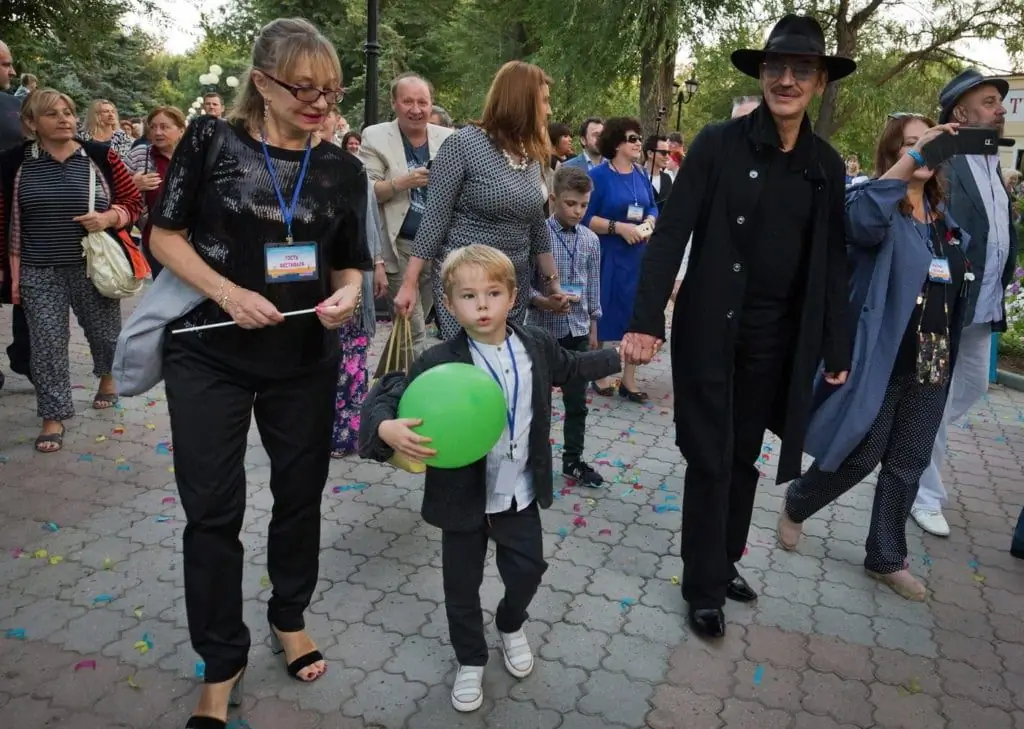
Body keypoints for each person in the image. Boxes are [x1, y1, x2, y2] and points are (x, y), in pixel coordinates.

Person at [147, 18, 370, 728]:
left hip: (303, 357)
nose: (319, 102)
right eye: (303, 87)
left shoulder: (343, 167)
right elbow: (164, 234)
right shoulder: (212, 141)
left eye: (330, 90)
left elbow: (351, 260)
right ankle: (221, 657)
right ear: (263, 81)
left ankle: (289, 612)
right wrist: (227, 291)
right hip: (207, 348)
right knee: (213, 509)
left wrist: (349, 295)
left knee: (299, 495)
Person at [622, 14, 854, 639]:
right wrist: (646, 321)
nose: (785, 79)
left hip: (775, 339)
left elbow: (834, 262)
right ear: (761, 73)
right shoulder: (717, 143)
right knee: (710, 455)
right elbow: (672, 234)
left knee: (745, 455)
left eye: (800, 70)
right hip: (708, 328)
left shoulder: (826, 165)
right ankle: (702, 585)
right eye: (775, 67)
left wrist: (837, 342)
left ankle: (723, 563)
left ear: (820, 82)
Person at [359, 244, 620, 713]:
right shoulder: (439, 359)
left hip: (518, 492)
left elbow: (573, 366)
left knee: (528, 571)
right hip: (461, 499)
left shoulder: (535, 343)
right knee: (461, 588)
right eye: (468, 296)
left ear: (513, 296)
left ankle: (509, 622)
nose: (482, 305)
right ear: (450, 303)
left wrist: (621, 354)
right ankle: (470, 659)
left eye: (493, 293)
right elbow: (387, 395)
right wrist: (383, 426)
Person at [780, 115, 971, 601]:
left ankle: (886, 557)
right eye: (912, 145)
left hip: (931, 360)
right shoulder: (877, 205)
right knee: (862, 453)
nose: (923, 154)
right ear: (895, 153)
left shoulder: (943, 220)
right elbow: (860, 222)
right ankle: (799, 501)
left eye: (928, 145)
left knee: (909, 460)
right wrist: (912, 164)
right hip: (883, 357)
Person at [0, 89, 144, 452]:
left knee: (104, 334)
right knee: (46, 345)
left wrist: (109, 217)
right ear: (31, 123)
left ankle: (107, 377)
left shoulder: (98, 156)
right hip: (37, 269)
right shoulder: (13, 163)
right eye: (53, 114)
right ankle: (53, 416)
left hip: (92, 267)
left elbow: (133, 202)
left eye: (68, 112)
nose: (65, 119)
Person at [911, 68, 1019, 537]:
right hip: (949, 306)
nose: (1000, 111)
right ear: (961, 111)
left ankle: (910, 440)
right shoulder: (946, 160)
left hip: (983, 305)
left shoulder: (990, 160)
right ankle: (923, 493)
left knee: (970, 387)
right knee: (934, 399)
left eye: (999, 102)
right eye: (991, 102)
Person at [393, 61, 566, 340]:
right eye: (544, 101)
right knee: (469, 371)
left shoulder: (531, 154)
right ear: (522, 102)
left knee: (501, 369)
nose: (549, 110)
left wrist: (553, 284)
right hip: (468, 286)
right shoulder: (463, 145)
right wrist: (409, 283)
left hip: (511, 287)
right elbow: (434, 218)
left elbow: (536, 225)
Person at [359, 72, 453, 357]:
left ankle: (386, 385)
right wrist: (402, 182)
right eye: (407, 101)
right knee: (414, 330)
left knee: (411, 322)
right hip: (397, 247)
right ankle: (416, 394)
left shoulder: (449, 138)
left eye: (422, 102)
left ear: (431, 104)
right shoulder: (375, 136)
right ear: (394, 103)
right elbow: (365, 192)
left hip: (437, 247)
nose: (416, 109)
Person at [529, 166, 605, 485]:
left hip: (577, 333)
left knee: (577, 404)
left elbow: (592, 289)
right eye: (570, 203)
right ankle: (535, 462)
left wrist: (593, 329)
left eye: (583, 205)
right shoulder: (538, 235)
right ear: (553, 199)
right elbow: (523, 286)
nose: (577, 211)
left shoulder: (590, 240)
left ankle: (573, 459)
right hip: (544, 334)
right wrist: (543, 301)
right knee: (540, 405)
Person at [585, 117, 658, 402]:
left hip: (636, 257)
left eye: (639, 137)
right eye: (632, 138)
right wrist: (619, 228)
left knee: (633, 315)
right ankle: (600, 373)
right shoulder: (599, 176)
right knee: (604, 314)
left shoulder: (640, 173)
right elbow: (586, 216)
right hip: (608, 255)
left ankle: (629, 379)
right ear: (616, 143)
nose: (639, 142)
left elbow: (652, 206)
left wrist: (649, 224)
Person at [123, 105, 187, 276]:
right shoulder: (140, 155)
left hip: (192, 240)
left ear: (181, 130)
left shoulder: (195, 157)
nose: (158, 132)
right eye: (153, 127)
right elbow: (110, 191)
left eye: (165, 127)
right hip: (156, 239)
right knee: (165, 294)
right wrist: (132, 185)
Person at [0, 39, 31, 391]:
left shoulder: (16, 107)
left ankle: (27, 357)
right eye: (6, 64)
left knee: (29, 289)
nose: (12, 71)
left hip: (21, 219)